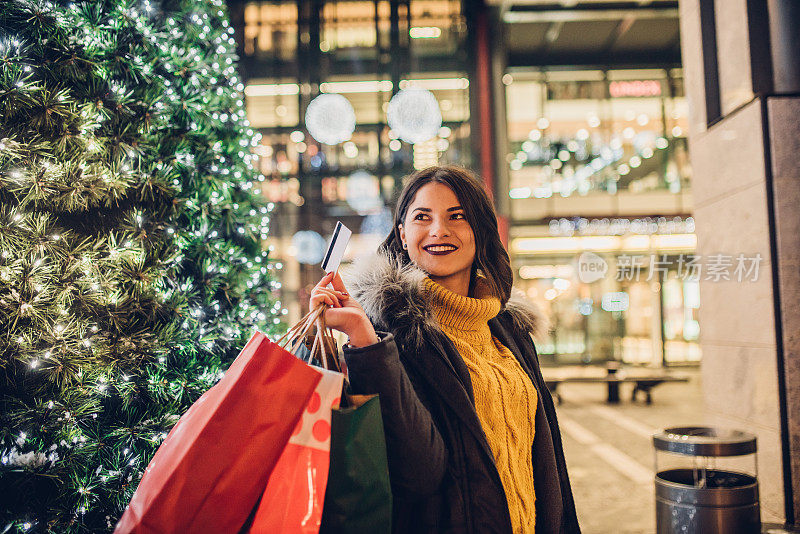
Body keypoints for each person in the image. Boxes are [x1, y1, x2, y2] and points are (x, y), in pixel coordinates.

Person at [310, 165, 580, 534]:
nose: (439, 230)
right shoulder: (390, 335)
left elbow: (548, 462)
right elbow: (417, 473)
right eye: (423, 217)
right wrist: (363, 339)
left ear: (481, 233)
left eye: (458, 216)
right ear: (403, 234)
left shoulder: (509, 328)